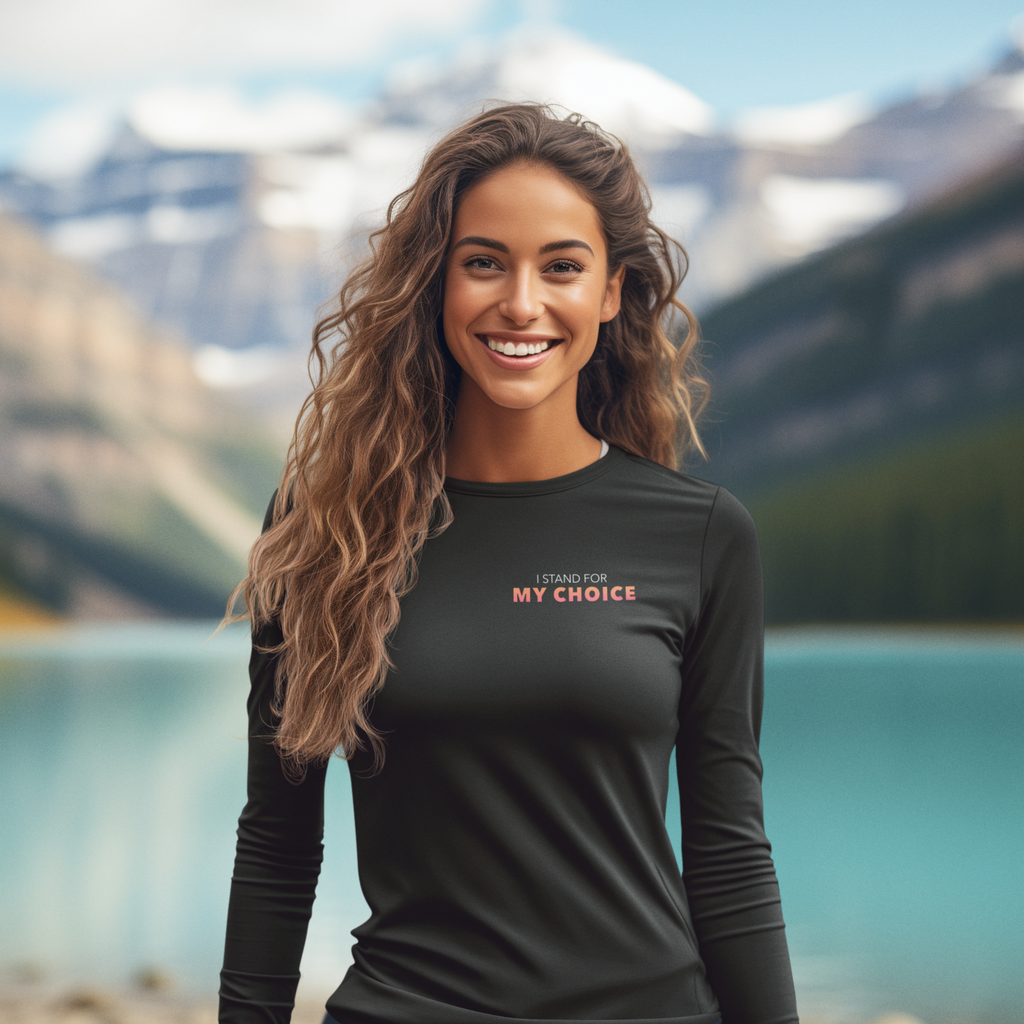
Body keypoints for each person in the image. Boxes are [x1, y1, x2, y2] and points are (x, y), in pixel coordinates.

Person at [219, 103, 799, 1024]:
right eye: (483, 262)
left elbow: (729, 854)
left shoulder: (700, 536)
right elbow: (278, 846)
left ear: (610, 292)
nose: (521, 303)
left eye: (561, 266)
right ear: (434, 283)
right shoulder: (328, 530)